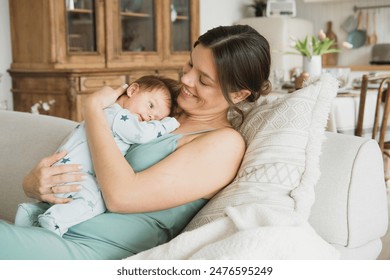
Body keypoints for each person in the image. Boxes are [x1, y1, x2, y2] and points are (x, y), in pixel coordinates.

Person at [0, 24, 271, 260]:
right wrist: (33, 184)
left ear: (238, 94)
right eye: (190, 64)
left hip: (92, 250)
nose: (186, 79)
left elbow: (121, 196)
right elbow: (82, 151)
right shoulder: (161, 105)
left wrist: (94, 108)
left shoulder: (223, 145)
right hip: (51, 226)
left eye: (203, 80)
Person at [14, 75, 181, 236]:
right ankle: (55, 221)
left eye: (156, 118)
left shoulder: (104, 114)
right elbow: (142, 134)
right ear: (133, 90)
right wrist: (168, 123)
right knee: (94, 201)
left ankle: (31, 213)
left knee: (70, 199)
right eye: (151, 105)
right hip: (74, 174)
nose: (149, 117)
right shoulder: (118, 116)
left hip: (65, 172)